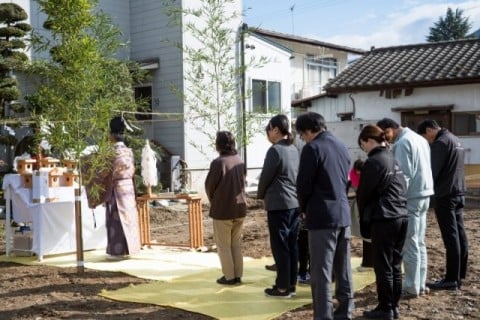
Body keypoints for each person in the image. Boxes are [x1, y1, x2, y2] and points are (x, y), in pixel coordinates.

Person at [295, 112, 354, 319]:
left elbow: (303, 185)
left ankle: (323, 316)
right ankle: (345, 312)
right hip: (343, 214)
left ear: (309, 130)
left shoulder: (312, 148)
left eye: (303, 135)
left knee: (321, 273)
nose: (303, 139)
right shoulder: (340, 145)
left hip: (322, 217)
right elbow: (346, 180)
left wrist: (303, 208)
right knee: (343, 269)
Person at [377, 118, 434, 298]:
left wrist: (396, 199)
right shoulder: (420, 138)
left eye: (384, 134)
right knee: (419, 241)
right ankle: (420, 283)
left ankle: (411, 286)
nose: (385, 139)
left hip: (411, 196)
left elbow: (404, 176)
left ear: (390, 129)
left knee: (411, 242)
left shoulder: (402, 143)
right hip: (425, 193)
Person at [356, 124, 408, 320]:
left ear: (369, 140)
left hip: (385, 217)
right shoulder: (393, 158)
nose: (364, 149)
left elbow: (364, 193)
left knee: (383, 265)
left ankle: (385, 308)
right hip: (401, 215)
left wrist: (363, 219)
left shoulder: (374, 161)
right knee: (395, 264)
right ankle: (393, 306)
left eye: (363, 145)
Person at [417, 119, 468, 291]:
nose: (427, 140)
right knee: (460, 234)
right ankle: (460, 273)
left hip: (445, 194)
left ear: (430, 130)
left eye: (426, 136)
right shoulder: (455, 139)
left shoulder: (440, 143)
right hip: (459, 191)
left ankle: (451, 279)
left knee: (451, 237)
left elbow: (432, 170)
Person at [257, 114, 300, 298]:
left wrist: (259, 195)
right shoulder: (293, 149)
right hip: (294, 203)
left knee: (280, 245)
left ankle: (281, 287)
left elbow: (266, 177)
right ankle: (290, 283)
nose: (268, 134)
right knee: (292, 245)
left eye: (268, 129)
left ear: (275, 129)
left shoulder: (275, 150)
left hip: (279, 203)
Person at [205, 131, 247, 285]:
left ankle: (229, 276)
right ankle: (238, 275)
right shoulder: (239, 160)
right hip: (240, 208)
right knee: (236, 244)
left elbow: (210, 186)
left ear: (218, 144)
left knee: (223, 246)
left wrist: (213, 200)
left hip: (223, 210)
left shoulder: (218, 163)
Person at [104, 116, 141, 260]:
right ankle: (130, 249)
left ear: (111, 135)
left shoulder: (110, 152)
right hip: (129, 188)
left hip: (116, 188)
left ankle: (117, 252)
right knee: (129, 219)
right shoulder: (129, 151)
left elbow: (105, 172)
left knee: (117, 220)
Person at [349, 159, 373, 272]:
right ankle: (368, 262)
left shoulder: (369, 175)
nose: (358, 174)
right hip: (360, 207)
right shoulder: (352, 175)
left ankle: (369, 263)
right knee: (366, 236)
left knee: (368, 237)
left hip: (368, 208)